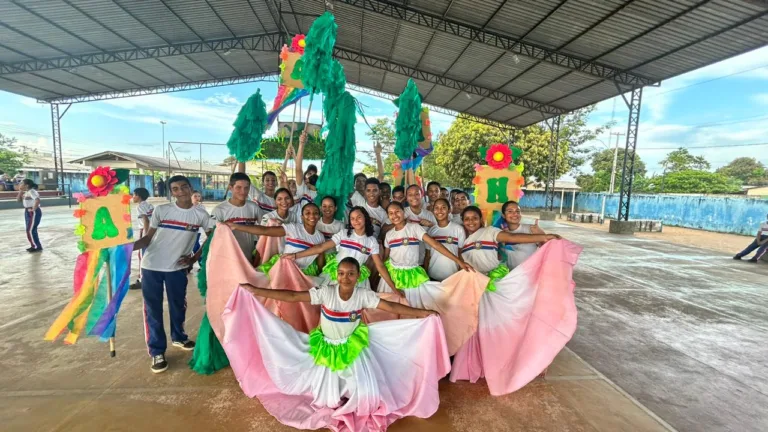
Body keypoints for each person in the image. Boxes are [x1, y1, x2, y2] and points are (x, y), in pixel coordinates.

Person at [222, 257, 449, 431]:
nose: (345, 278)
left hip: (353, 347)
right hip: (328, 347)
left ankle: (352, 396)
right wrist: (257, 290)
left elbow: (393, 308)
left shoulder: (362, 295)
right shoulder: (326, 292)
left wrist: (422, 313)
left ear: (359, 275)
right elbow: (292, 296)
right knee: (326, 395)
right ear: (336, 274)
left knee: (364, 390)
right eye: (341, 273)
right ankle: (337, 397)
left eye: (351, 274)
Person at [132, 175, 216, 373]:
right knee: (153, 310)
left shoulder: (200, 215)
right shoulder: (162, 210)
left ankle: (179, 337)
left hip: (177, 267)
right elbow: (148, 238)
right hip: (151, 265)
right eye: (175, 189)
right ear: (172, 192)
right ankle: (157, 351)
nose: (180, 191)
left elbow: (213, 237)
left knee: (178, 305)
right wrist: (124, 249)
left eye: (184, 187)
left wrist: (194, 258)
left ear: (190, 188)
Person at [285, 206, 396, 291]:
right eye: (352, 218)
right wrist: (295, 255)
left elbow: (380, 266)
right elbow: (321, 247)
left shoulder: (372, 241)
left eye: (359, 217)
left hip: (355, 276)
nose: (355, 221)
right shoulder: (344, 234)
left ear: (366, 219)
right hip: (337, 272)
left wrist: (393, 288)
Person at [230, 202, 326, 276]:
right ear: (301, 217)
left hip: (305, 272)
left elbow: (320, 257)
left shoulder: (320, 237)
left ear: (319, 216)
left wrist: (321, 275)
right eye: (307, 213)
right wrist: (236, 226)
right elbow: (265, 231)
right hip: (285, 268)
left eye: (315, 213)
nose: (312, 216)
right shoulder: (293, 228)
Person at [212, 173, 262, 261]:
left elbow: (264, 230)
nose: (243, 191)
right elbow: (212, 237)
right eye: (238, 187)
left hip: (248, 258)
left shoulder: (254, 207)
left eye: (246, 188)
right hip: (227, 260)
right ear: (230, 188)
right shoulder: (219, 210)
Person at [424, 198, 466, 281]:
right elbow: (427, 256)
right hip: (433, 275)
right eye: (436, 208)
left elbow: (460, 254)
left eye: (443, 207)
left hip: (453, 276)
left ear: (449, 210)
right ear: (433, 210)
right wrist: (426, 275)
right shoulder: (430, 231)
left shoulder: (458, 229)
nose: (439, 210)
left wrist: (460, 274)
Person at [499, 201, 546, 269]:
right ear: (503, 215)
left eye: (518, 211)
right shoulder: (499, 232)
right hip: (510, 275)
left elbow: (547, 248)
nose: (515, 214)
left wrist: (541, 233)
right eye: (510, 211)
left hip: (530, 273)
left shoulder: (531, 229)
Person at [403, 184, 437, 264]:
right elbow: (389, 230)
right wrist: (403, 223)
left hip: (422, 259)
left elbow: (437, 234)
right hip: (404, 261)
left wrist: (431, 225)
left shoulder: (429, 214)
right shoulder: (402, 213)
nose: (414, 197)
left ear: (421, 195)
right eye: (410, 195)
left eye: (417, 194)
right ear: (406, 197)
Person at [130, 188, 154, 290]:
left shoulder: (140, 207)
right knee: (148, 255)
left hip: (145, 231)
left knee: (142, 256)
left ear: (138, 196)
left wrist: (146, 236)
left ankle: (142, 280)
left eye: (134, 195)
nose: (132, 197)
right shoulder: (149, 205)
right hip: (153, 231)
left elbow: (145, 220)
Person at [293, 132, 318, 208]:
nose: (311, 177)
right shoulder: (302, 187)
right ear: (305, 175)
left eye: (314, 175)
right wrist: (301, 145)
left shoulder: (319, 193)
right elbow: (298, 169)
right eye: (309, 173)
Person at [17, 179, 42, 253]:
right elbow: (18, 200)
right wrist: (20, 191)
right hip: (27, 211)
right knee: (31, 230)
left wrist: (33, 209)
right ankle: (36, 245)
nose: (20, 184)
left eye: (22, 183)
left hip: (32, 211)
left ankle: (35, 246)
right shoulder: (26, 193)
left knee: (30, 230)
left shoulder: (32, 191)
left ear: (26, 185)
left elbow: (37, 200)